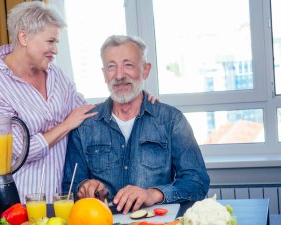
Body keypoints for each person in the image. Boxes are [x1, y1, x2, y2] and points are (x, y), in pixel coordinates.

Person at [62, 35, 210, 214]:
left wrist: (153, 194)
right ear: (104, 75)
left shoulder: (171, 120)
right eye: (111, 67)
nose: (119, 75)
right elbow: (69, 187)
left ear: (145, 70)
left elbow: (197, 182)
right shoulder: (85, 125)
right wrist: (84, 187)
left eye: (128, 65)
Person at [0, 2, 96, 203]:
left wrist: (137, 100)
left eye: (57, 42)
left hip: (64, 200)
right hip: (23, 204)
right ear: (24, 37)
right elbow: (23, 152)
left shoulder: (56, 74)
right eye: (51, 41)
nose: (55, 50)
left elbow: (84, 112)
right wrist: (66, 125)